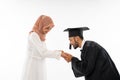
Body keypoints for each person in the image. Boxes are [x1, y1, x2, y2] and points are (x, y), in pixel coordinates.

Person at [22, 15, 67, 80]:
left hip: (39, 63)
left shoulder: (41, 36)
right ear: (41, 25)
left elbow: (44, 50)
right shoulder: (34, 35)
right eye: (47, 28)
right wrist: (59, 53)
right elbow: (43, 52)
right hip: (33, 65)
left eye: (50, 29)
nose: (48, 31)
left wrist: (57, 51)